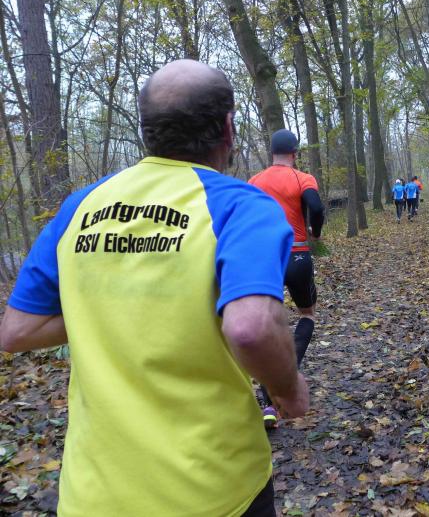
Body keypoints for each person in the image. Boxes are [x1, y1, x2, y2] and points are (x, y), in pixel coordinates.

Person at [0, 59, 309, 517]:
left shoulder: (80, 206)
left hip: (92, 495)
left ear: (147, 129)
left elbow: (17, 331)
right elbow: (252, 327)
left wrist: (119, 303)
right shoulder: (240, 206)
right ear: (228, 128)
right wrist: (287, 390)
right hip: (213, 491)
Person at [248, 129, 324, 428]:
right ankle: (288, 376)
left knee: (269, 324)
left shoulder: (254, 181)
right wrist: (316, 232)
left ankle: (268, 404)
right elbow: (316, 207)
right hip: (298, 255)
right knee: (307, 314)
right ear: (294, 153)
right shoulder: (303, 178)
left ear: (272, 153)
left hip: (265, 258)